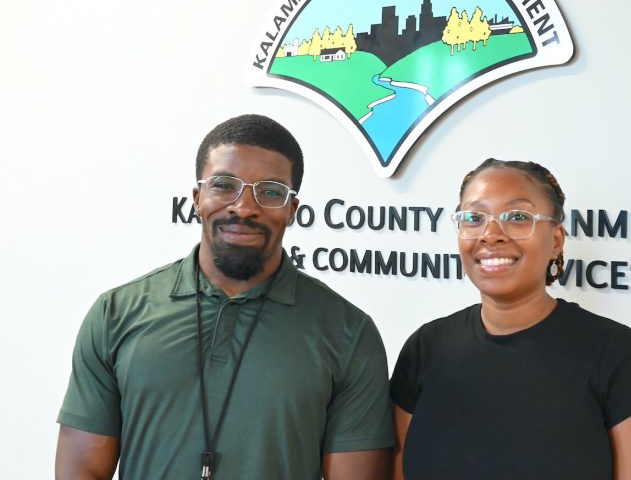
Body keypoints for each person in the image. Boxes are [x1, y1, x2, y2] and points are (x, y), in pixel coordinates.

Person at [56, 114, 394, 480]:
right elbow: (81, 471)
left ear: (292, 210)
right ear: (197, 198)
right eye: (223, 185)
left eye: (270, 191)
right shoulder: (116, 313)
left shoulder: (348, 332)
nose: (244, 207)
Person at [390, 159, 631, 480]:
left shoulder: (615, 353)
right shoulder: (426, 348)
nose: (491, 235)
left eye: (517, 217)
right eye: (474, 218)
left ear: (556, 240)